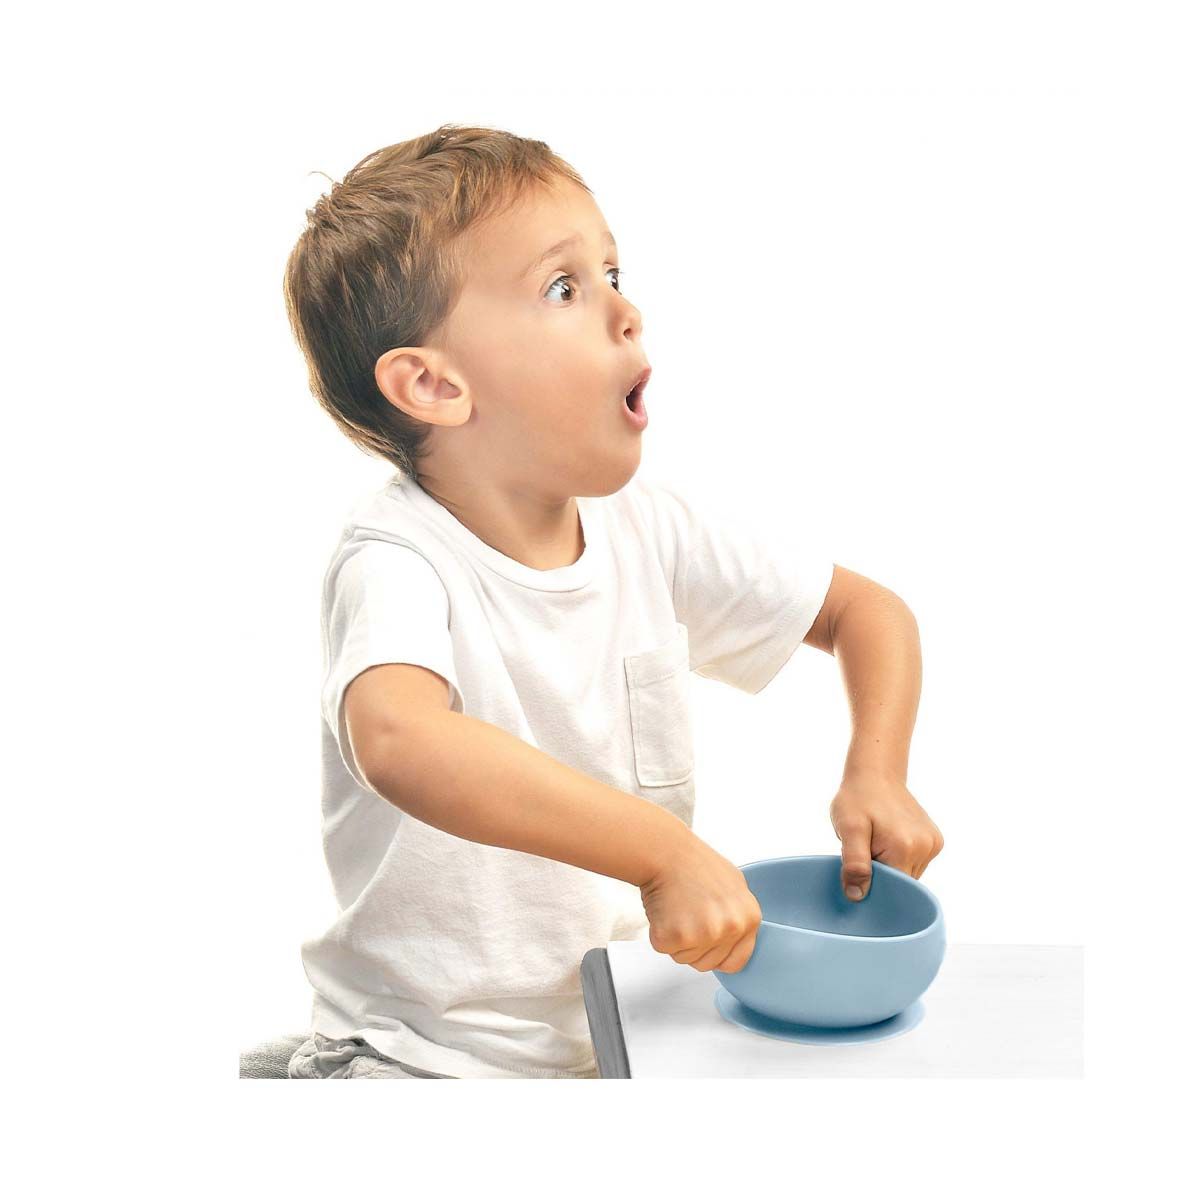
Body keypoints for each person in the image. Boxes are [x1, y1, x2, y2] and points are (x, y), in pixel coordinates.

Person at [279, 123, 944, 1081]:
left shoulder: (646, 528)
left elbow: (867, 614)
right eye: (564, 287)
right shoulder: (397, 559)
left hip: (613, 1038)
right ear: (433, 384)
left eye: (614, 272)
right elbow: (398, 737)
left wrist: (878, 773)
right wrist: (660, 852)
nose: (626, 313)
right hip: (420, 1059)